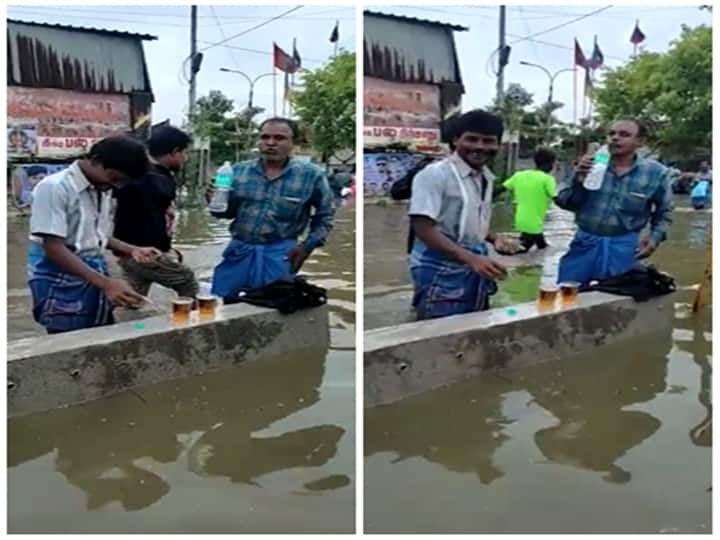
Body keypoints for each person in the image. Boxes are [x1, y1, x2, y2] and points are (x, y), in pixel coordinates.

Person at [28, 136, 161, 334]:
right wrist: (107, 284)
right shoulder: (54, 187)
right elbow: (53, 248)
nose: (117, 186)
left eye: (122, 182)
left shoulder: (102, 189)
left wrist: (132, 249)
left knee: (98, 335)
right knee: (70, 342)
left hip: (91, 274)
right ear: (96, 160)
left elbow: (96, 237)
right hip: (58, 278)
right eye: (114, 178)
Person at [208, 117, 335, 298]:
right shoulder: (238, 172)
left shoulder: (311, 175)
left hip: (281, 254)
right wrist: (214, 202)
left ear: (294, 143)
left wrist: (306, 247)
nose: (270, 143)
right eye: (265, 137)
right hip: (239, 250)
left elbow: (325, 217)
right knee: (222, 303)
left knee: (274, 309)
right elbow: (225, 213)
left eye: (279, 138)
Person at [408, 109, 516, 320]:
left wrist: (494, 238)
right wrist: (472, 258)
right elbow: (422, 227)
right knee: (439, 336)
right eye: (472, 139)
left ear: (498, 145)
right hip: (439, 270)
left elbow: (466, 220)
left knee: (472, 328)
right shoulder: (435, 174)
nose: (479, 147)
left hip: (473, 265)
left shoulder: (485, 177)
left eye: (488, 141)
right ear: (456, 140)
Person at [555, 119, 673, 286]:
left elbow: (664, 212)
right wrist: (578, 179)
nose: (615, 138)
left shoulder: (656, 173)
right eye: (611, 134)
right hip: (584, 244)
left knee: (618, 302)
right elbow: (565, 203)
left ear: (640, 141)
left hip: (624, 248)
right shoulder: (592, 166)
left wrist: (654, 239)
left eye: (624, 135)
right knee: (568, 296)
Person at [113, 125, 199, 299]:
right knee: (187, 280)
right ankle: (191, 322)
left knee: (133, 297)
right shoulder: (157, 179)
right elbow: (156, 220)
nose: (185, 159)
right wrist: (164, 250)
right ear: (175, 151)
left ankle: (128, 326)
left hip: (126, 250)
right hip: (146, 252)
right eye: (185, 153)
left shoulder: (138, 174)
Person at [503, 147, 558, 252]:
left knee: (534, 249)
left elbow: (499, 189)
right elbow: (557, 198)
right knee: (537, 250)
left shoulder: (519, 175)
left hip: (521, 221)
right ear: (551, 163)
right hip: (534, 224)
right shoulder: (547, 179)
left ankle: (523, 267)